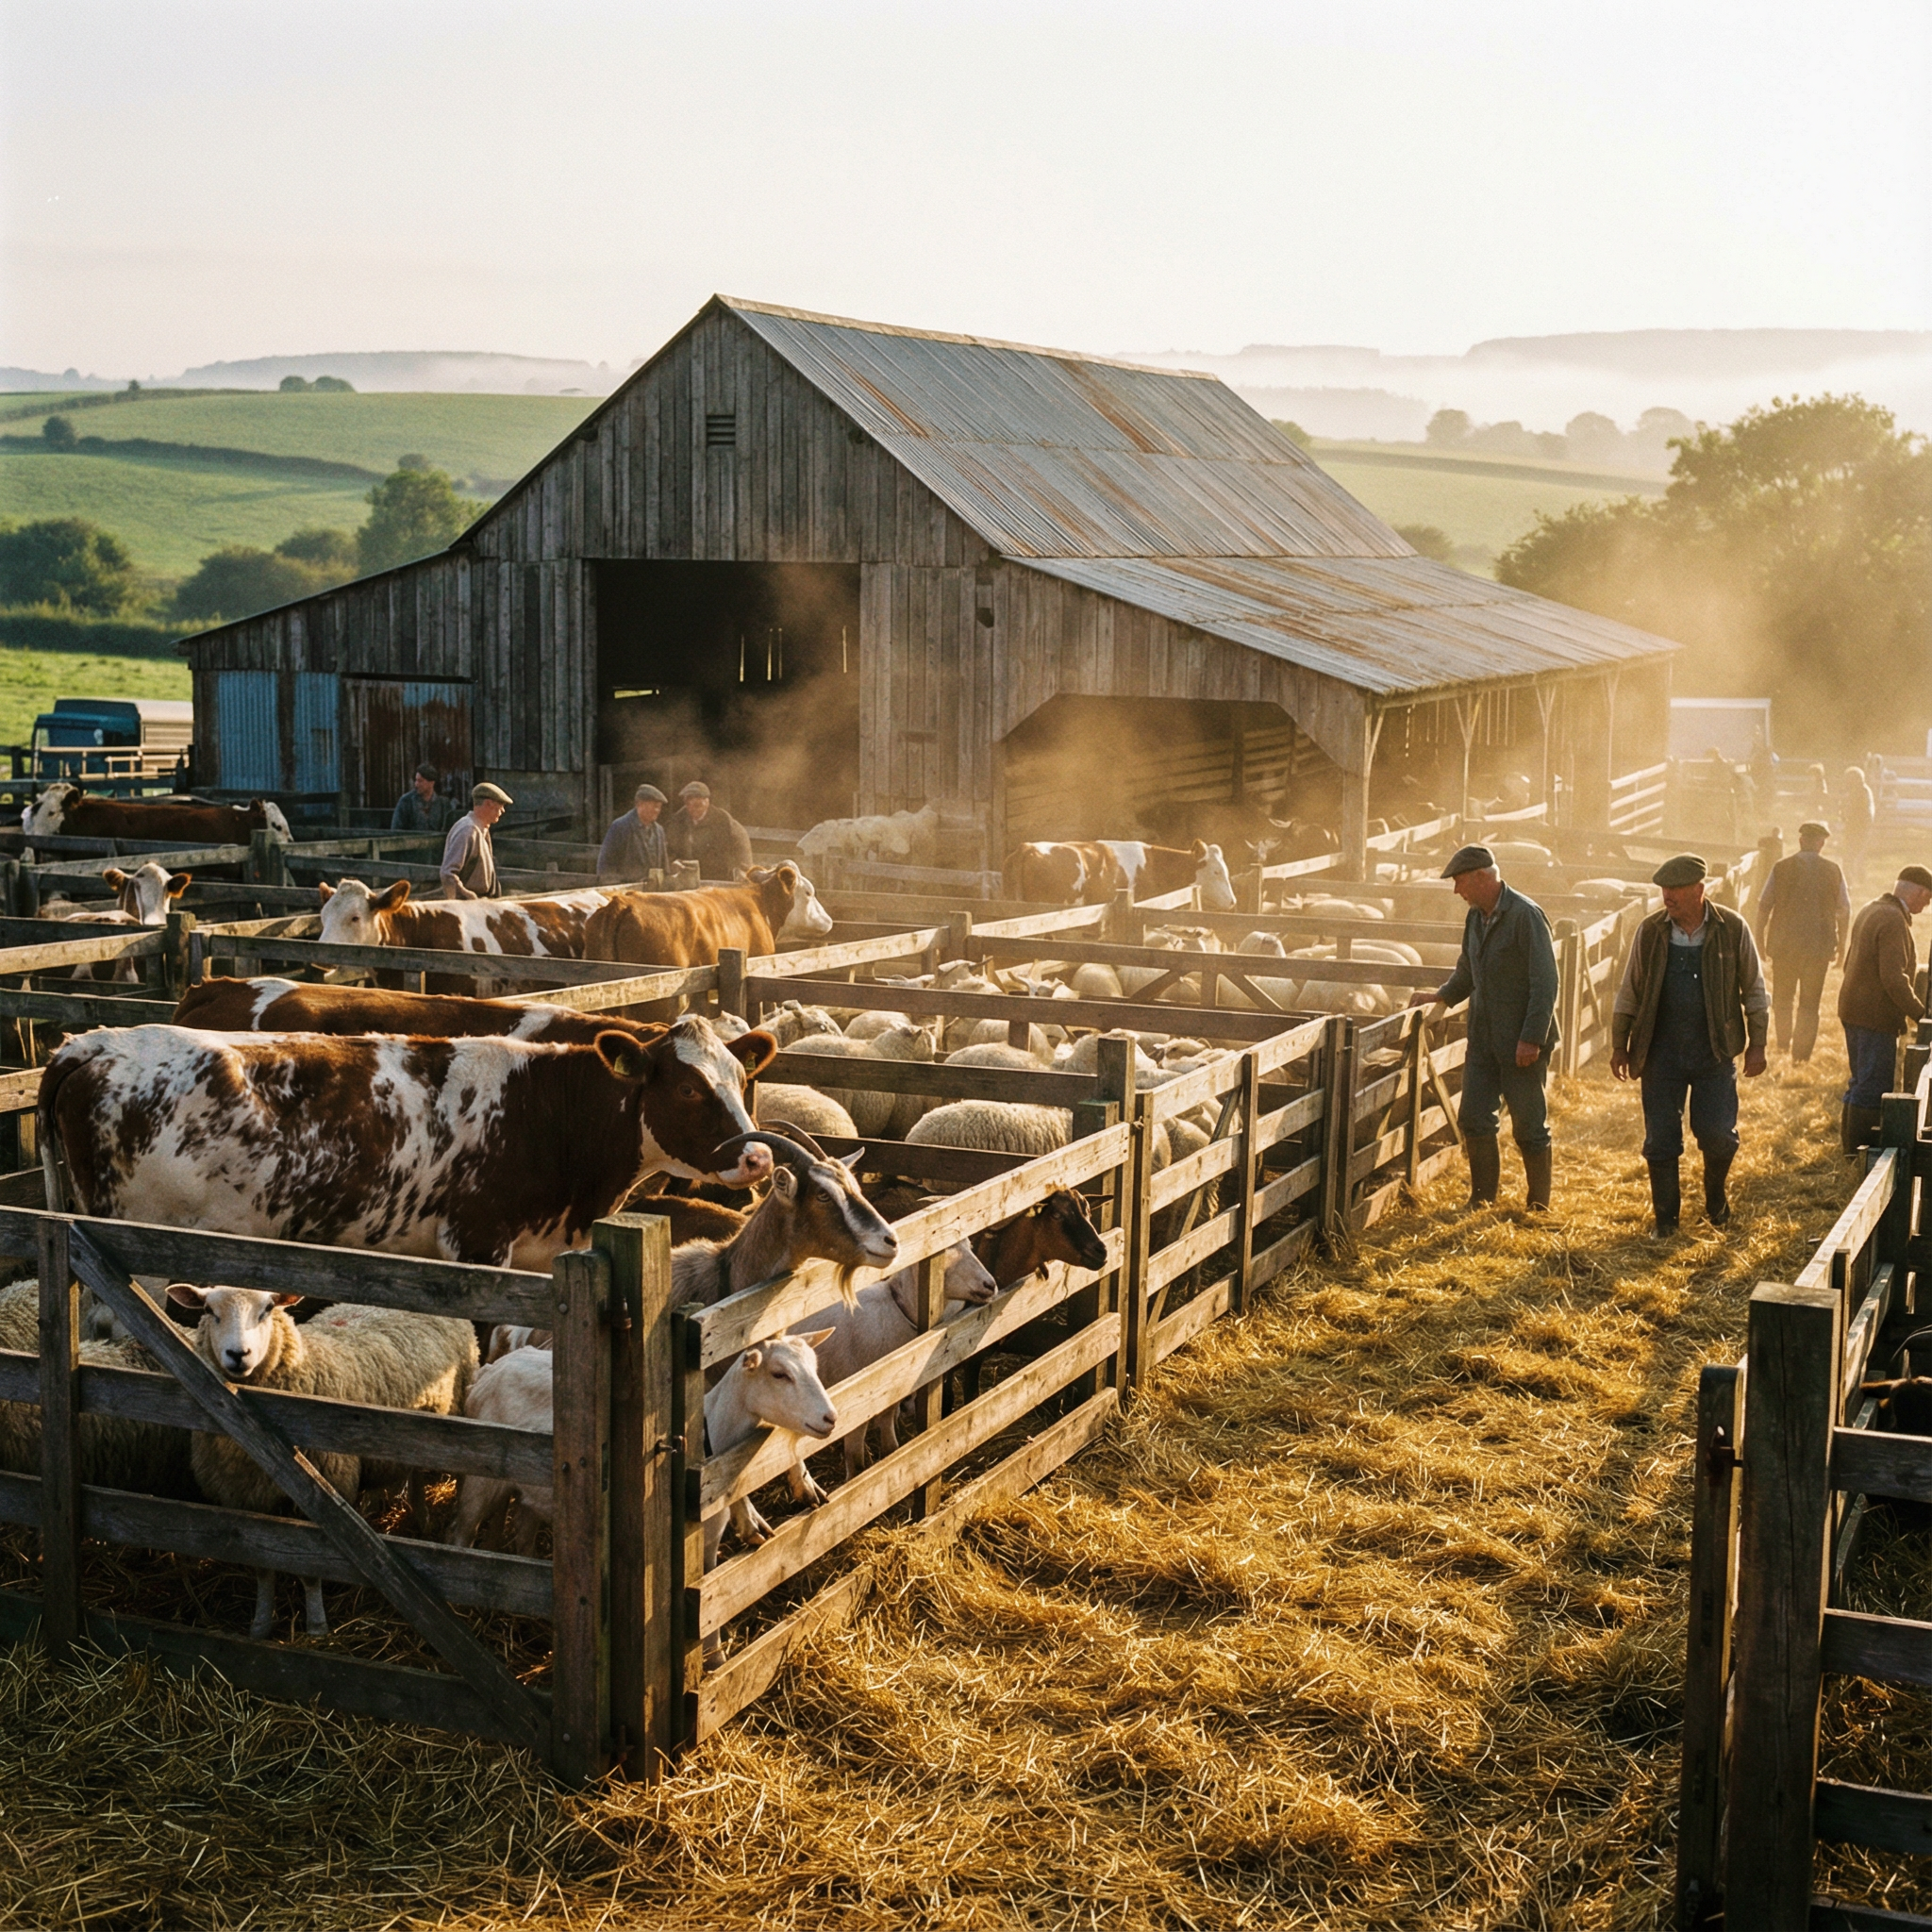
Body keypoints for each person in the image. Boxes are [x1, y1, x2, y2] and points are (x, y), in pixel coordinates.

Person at [1611, 854, 1770, 1236]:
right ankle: (1666, 1222)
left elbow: (1754, 989)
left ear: (1699, 889)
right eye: (1664, 889)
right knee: (1661, 1140)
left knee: (1718, 1135)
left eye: (1677, 889)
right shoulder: (1651, 931)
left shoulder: (1731, 928)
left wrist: (1758, 1044)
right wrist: (1620, 1044)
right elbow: (1630, 991)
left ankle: (1715, 1202)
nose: (1668, 896)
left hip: (1714, 1051)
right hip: (1660, 1053)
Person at [1408, 843, 1559, 1213]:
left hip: (1520, 1042)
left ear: (1481, 877)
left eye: (1460, 881)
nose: (1456, 891)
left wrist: (1531, 1038)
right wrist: (1442, 996)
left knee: (1529, 1126)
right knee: (1474, 1118)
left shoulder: (1525, 915)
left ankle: (1538, 1205)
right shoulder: (1476, 918)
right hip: (1483, 1038)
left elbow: (1545, 981)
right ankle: (1482, 1199)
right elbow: (1467, 969)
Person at [1837, 864, 1932, 1153]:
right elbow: (1894, 978)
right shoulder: (1893, 920)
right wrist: (1921, 1015)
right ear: (1919, 892)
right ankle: (1861, 1154)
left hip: (1854, 1010)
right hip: (1875, 1017)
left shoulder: (1872, 908)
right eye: (1928, 898)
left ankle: (1850, 1152)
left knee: (1859, 1082)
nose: (1927, 905)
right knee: (1872, 1087)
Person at [1755, 821, 1850, 1063]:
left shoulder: (1781, 868)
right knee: (1809, 1004)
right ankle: (1801, 1055)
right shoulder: (1833, 870)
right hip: (1818, 948)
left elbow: (1763, 906)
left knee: (1783, 999)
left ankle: (1783, 1044)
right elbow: (1844, 910)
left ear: (1800, 841)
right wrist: (1841, 947)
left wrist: (1759, 940)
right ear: (1821, 844)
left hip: (1784, 947)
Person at [666, 780, 754, 881]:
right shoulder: (677, 821)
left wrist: (744, 869)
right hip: (688, 877)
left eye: (698, 805)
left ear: (707, 802)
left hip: (719, 877)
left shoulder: (723, 819)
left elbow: (742, 842)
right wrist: (671, 863)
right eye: (689, 805)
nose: (693, 809)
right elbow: (668, 848)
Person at [440, 781, 512, 900]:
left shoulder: (480, 828)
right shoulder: (468, 830)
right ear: (488, 804)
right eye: (500, 805)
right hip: (470, 904)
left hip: (481, 901)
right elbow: (447, 873)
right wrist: (467, 897)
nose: (503, 810)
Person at [597, 783, 669, 884]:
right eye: (654, 806)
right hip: (626, 889)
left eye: (659, 807)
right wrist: (616, 887)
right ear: (639, 804)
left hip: (653, 890)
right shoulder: (620, 827)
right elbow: (606, 866)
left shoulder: (659, 831)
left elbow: (664, 866)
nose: (657, 811)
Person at [391, 762, 455, 836]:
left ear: (431, 783)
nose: (416, 784)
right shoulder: (406, 801)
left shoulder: (443, 804)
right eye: (416, 780)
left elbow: (451, 830)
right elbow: (396, 831)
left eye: (420, 781)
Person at [1841, 763, 1876, 892]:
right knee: (1855, 855)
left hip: (1858, 829)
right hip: (1857, 828)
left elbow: (1862, 813)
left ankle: (1850, 883)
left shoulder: (1862, 792)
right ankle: (1858, 880)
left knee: (1850, 856)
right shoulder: (1860, 791)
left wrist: (1850, 820)